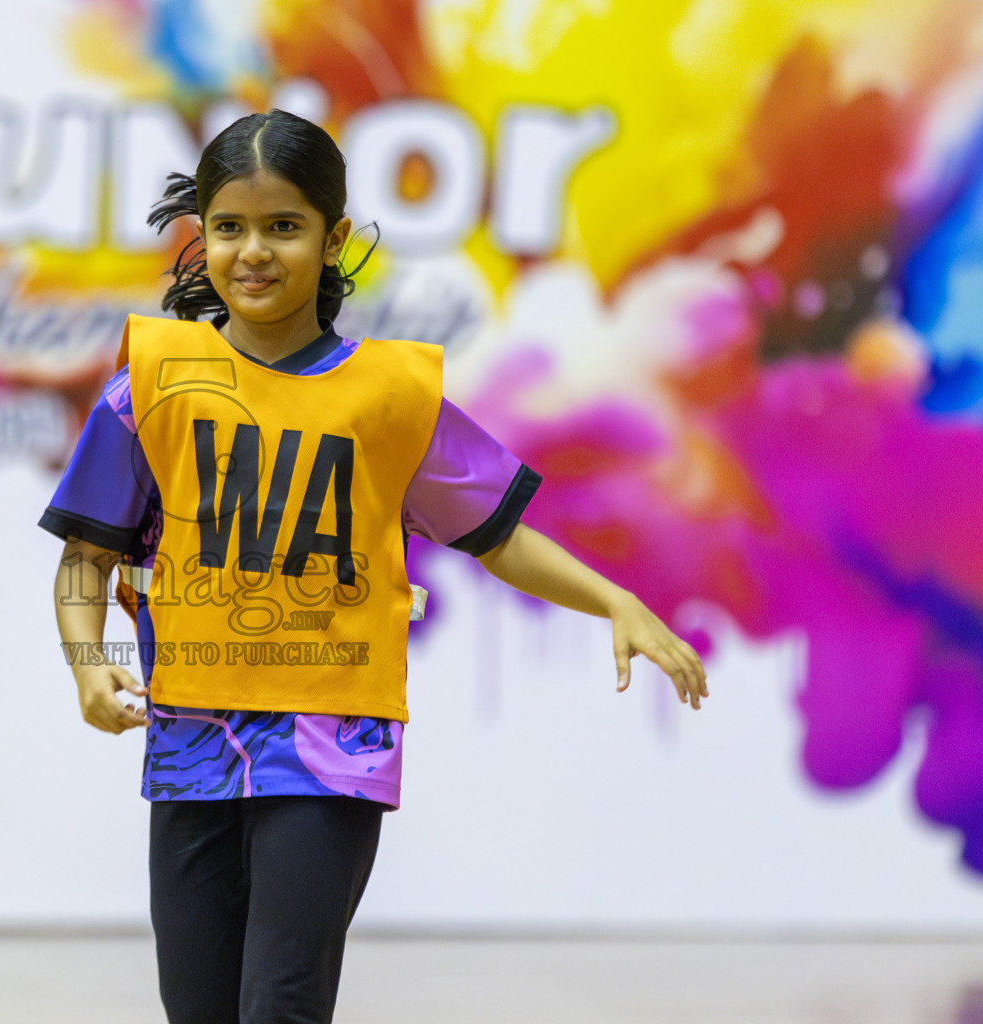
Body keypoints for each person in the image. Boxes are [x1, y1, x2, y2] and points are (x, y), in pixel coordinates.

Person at [38, 109, 708, 1024]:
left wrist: (616, 601)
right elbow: (85, 559)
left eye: (284, 226)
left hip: (331, 740)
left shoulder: (390, 397)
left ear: (334, 237)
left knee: (283, 1001)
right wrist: (86, 669)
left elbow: (496, 534)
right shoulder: (148, 387)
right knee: (197, 1008)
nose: (253, 252)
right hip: (191, 739)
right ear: (205, 234)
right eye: (230, 227)